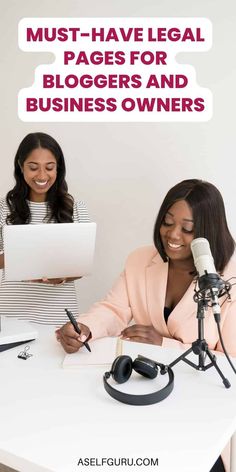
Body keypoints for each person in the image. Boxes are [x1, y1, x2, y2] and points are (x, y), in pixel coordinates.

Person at [56, 179, 236, 472]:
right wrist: (85, 327)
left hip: (199, 416)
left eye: (188, 229)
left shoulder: (230, 278)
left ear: (208, 232)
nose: (173, 235)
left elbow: (231, 361)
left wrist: (163, 344)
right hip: (144, 399)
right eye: (167, 223)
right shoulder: (141, 260)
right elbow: (113, 308)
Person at [0, 132, 89, 325]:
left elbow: (82, 264)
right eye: (33, 167)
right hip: (10, 311)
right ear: (20, 166)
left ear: (58, 168)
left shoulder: (75, 208)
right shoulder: (3, 208)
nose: (42, 176)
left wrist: (63, 275)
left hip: (58, 312)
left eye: (49, 167)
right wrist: (24, 254)